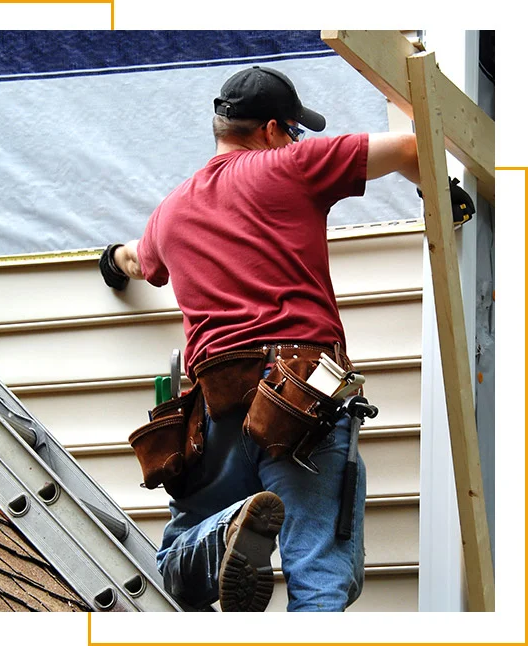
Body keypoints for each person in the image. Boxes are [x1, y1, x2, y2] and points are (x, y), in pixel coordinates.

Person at [99, 65, 421, 612]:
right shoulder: (292, 164)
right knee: (317, 570)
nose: (297, 140)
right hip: (301, 396)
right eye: (295, 130)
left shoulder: (170, 211)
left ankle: (221, 534)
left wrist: (110, 261)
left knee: (174, 564)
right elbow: (413, 146)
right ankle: (231, 537)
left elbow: (133, 258)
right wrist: (449, 196)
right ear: (273, 129)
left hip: (217, 405)